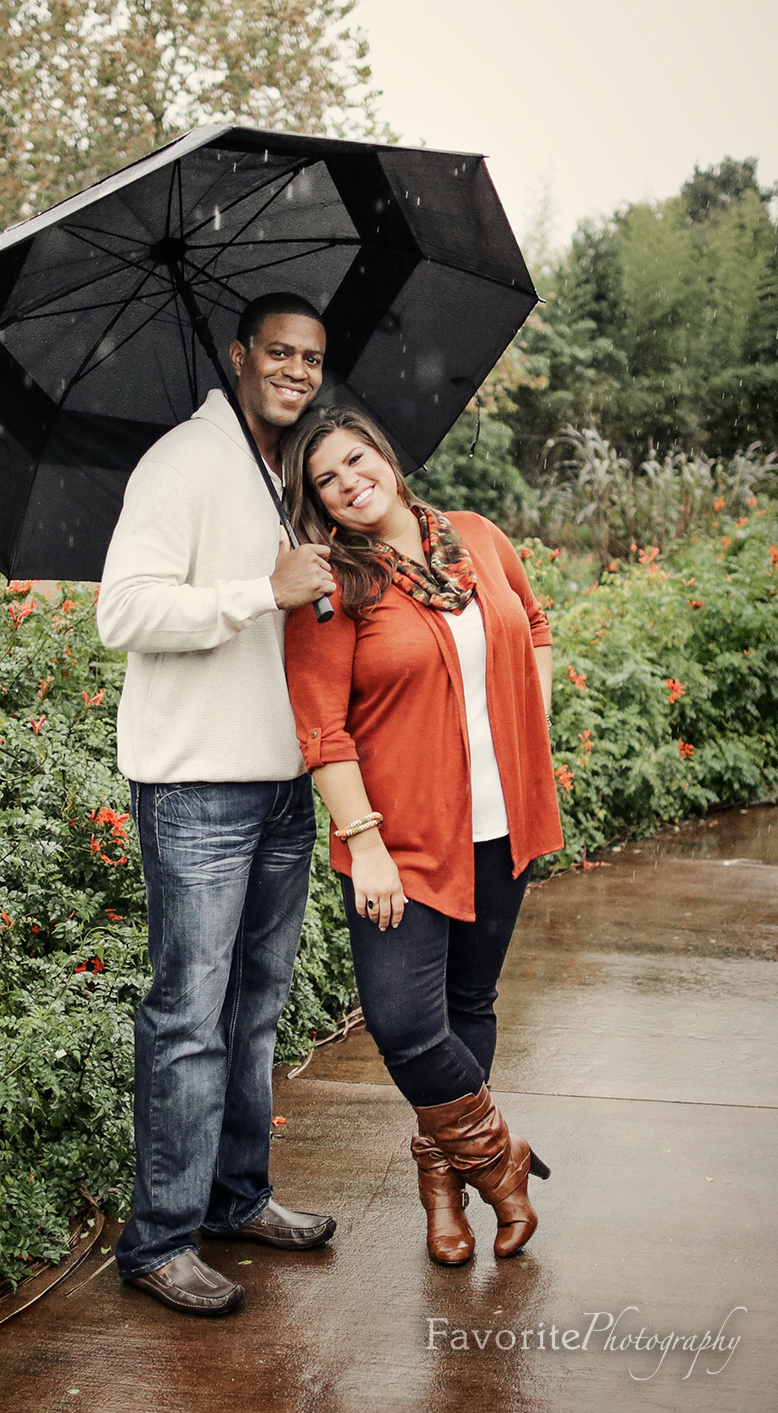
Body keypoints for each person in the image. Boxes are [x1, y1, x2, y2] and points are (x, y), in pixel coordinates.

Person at [96, 293, 339, 1316]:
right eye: (279, 351)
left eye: (312, 357)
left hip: (282, 787)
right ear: (239, 354)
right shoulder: (182, 463)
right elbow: (125, 610)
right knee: (189, 1017)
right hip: (197, 787)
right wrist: (259, 592)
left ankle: (239, 1198)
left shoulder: (284, 472)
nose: (296, 370)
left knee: (256, 1012)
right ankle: (159, 1239)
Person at [281, 404, 563, 1265]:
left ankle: (443, 1193)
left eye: (357, 458)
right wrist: (364, 842)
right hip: (396, 842)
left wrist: (530, 735)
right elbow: (321, 728)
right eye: (327, 478)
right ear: (320, 501)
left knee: (469, 1006)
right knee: (404, 1022)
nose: (348, 481)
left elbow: (535, 624)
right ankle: (500, 1162)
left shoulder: (477, 535)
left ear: (387, 456)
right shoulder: (334, 584)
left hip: (499, 824)